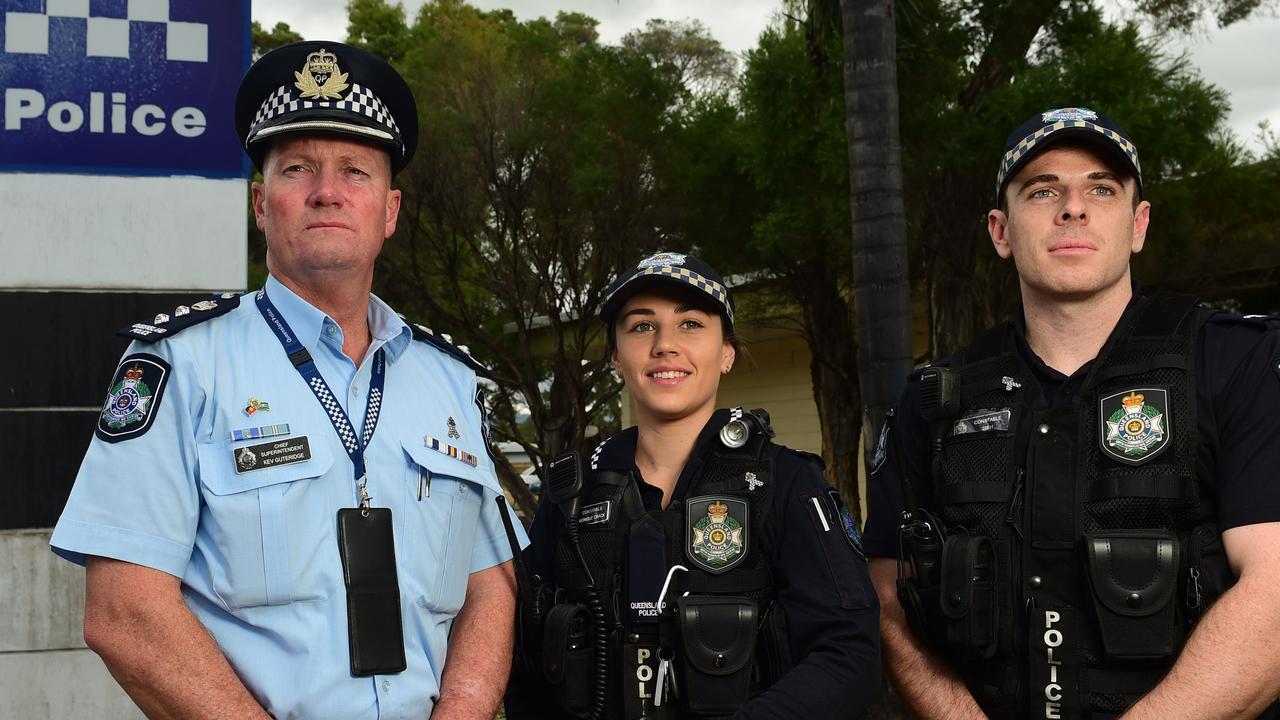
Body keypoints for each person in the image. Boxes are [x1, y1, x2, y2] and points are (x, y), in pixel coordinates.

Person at [50, 41, 525, 719]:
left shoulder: (447, 381)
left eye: (355, 171)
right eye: (298, 168)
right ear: (260, 204)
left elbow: (491, 583)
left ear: (388, 212)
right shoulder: (181, 366)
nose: (327, 191)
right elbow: (125, 612)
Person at [863, 107, 1280, 719]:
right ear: (1001, 232)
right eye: (1042, 190)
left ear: (1138, 224)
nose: (1073, 208)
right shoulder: (934, 396)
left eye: (1101, 188)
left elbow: (1272, 591)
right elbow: (886, 599)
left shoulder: (1235, 362)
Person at [503, 252, 881, 719]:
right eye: (642, 326)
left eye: (691, 324)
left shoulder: (785, 484)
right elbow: (522, 662)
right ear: (617, 356)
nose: (665, 345)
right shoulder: (572, 496)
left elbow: (851, 655)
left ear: (727, 353)